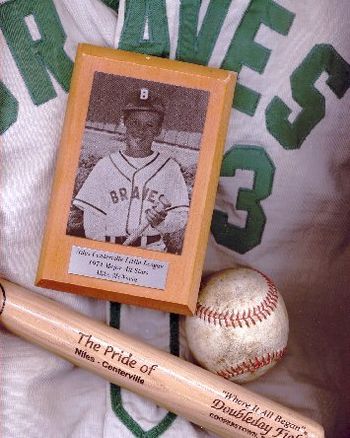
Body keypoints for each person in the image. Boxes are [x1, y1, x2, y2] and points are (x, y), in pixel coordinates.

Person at [73, 87, 190, 252]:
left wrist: (161, 222)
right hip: (108, 249)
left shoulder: (170, 168)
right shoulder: (105, 166)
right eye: (135, 122)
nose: (141, 130)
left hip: (152, 250)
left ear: (158, 130)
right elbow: (92, 221)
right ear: (124, 122)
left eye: (149, 125)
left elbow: (180, 217)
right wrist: (104, 252)